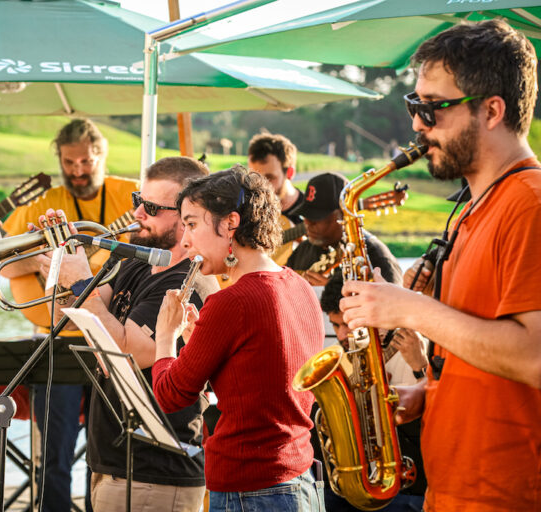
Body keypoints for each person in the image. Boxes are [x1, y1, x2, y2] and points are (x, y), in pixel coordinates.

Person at [340, 20, 541, 511]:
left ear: (492, 110)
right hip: (452, 489)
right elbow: (481, 346)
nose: (416, 125)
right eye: (414, 106)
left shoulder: (530, 204)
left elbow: (534, 358)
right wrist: (432, 395)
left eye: (431, 108)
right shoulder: (472, 209)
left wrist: (408, 309)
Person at [44, 156, 213, 512]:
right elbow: (67, 318)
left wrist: (79, 280)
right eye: (138, 200)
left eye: (150, 207)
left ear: (187, 219)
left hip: (157, 472)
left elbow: (129, 351)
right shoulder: (138, 262)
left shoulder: (187, 285)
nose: (137, 213)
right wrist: (60, 261)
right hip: (113, 463)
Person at [152, 166, 325, 512]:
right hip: (300, 479)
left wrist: (165, 339)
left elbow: (170, 396)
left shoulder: (230, 302)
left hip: (251, 490)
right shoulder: (299, 285)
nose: (184, 240)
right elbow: (265, 385)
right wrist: (203, 346)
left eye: (191, 224)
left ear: (230, 223)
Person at [1, 118, 138, 512]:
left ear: (102, 155)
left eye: (86, 161)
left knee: (113, 454)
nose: (78, 171)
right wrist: (44, 266)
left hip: (112, 341)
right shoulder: (43, 203)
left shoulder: (131, 195)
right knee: (55, 456)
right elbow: (5, 266)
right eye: (69, 162)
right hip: (58, 341)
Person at [318, 274, 427, 511]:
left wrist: (420, 366)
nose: (341, 335)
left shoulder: (413, 342)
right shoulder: (345, 354)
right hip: (358, 480)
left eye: (346, 324)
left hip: (407, 485)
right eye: (335, 325)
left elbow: (438, 406)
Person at [286, 172, 402, 286]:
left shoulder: (377, 257)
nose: (308, 222)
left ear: (344, 214)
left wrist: (332, 294)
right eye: (305, 215)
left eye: (317, 217)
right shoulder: (303, 249)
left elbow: (394, 302)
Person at [247, 133, 304, 265]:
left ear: (289, 173)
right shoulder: (247, 208)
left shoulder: (311, 210)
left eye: (269, 178)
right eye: (255, 177)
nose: (261, 186)